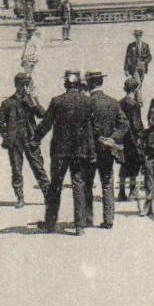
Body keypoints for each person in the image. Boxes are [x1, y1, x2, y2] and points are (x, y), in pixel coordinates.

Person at [35, 70, 95, 235]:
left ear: (66, 84)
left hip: (60, 152)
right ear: (79, 84)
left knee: (55, 186)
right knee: (79, 185)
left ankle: (50, 223)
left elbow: (46, 124)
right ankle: (80, 226)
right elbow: (92, 129)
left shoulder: (57, 101)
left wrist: (35, 139)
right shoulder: (87, 102)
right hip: (80, 151)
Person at [0, 72, 49, 208]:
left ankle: (49, 196)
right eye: (22, 84)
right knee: (17, 170)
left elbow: (42, 115)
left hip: (31, 140)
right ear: (16, 85)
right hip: (15, 141)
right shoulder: (8, 103)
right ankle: (20, 198)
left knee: (38, 168)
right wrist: (6, 137)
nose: (24, 87)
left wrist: (33, 100)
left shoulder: (31, 101)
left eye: (27, 84)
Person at [84, 71, 129, 229]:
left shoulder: (87, 103)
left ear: (89, 84)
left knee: (87, 184)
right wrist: (112, 138)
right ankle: (109, 219)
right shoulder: (113, 102)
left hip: (90, 150)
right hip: (107, 150)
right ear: (101, 83)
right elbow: (124, 124)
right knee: (107, 183)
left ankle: (88, 219)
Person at [118, 77, 144, 203]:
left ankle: (121, 191)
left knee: (124, 164)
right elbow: (136, 123)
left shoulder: (120, 102)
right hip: (132, 138)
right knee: (134, 165)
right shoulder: (134, 105)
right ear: (135, 90)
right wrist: (141, 135)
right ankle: (132, 192)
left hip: (123, 138)